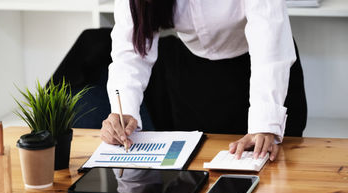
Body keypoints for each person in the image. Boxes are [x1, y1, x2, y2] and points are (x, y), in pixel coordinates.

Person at [100, 0, 307, 161]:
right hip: (194, 80)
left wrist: (264, 124)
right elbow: (131, 49)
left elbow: (268, 39)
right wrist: (124, 112)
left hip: (264, 77)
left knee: (270, 177)